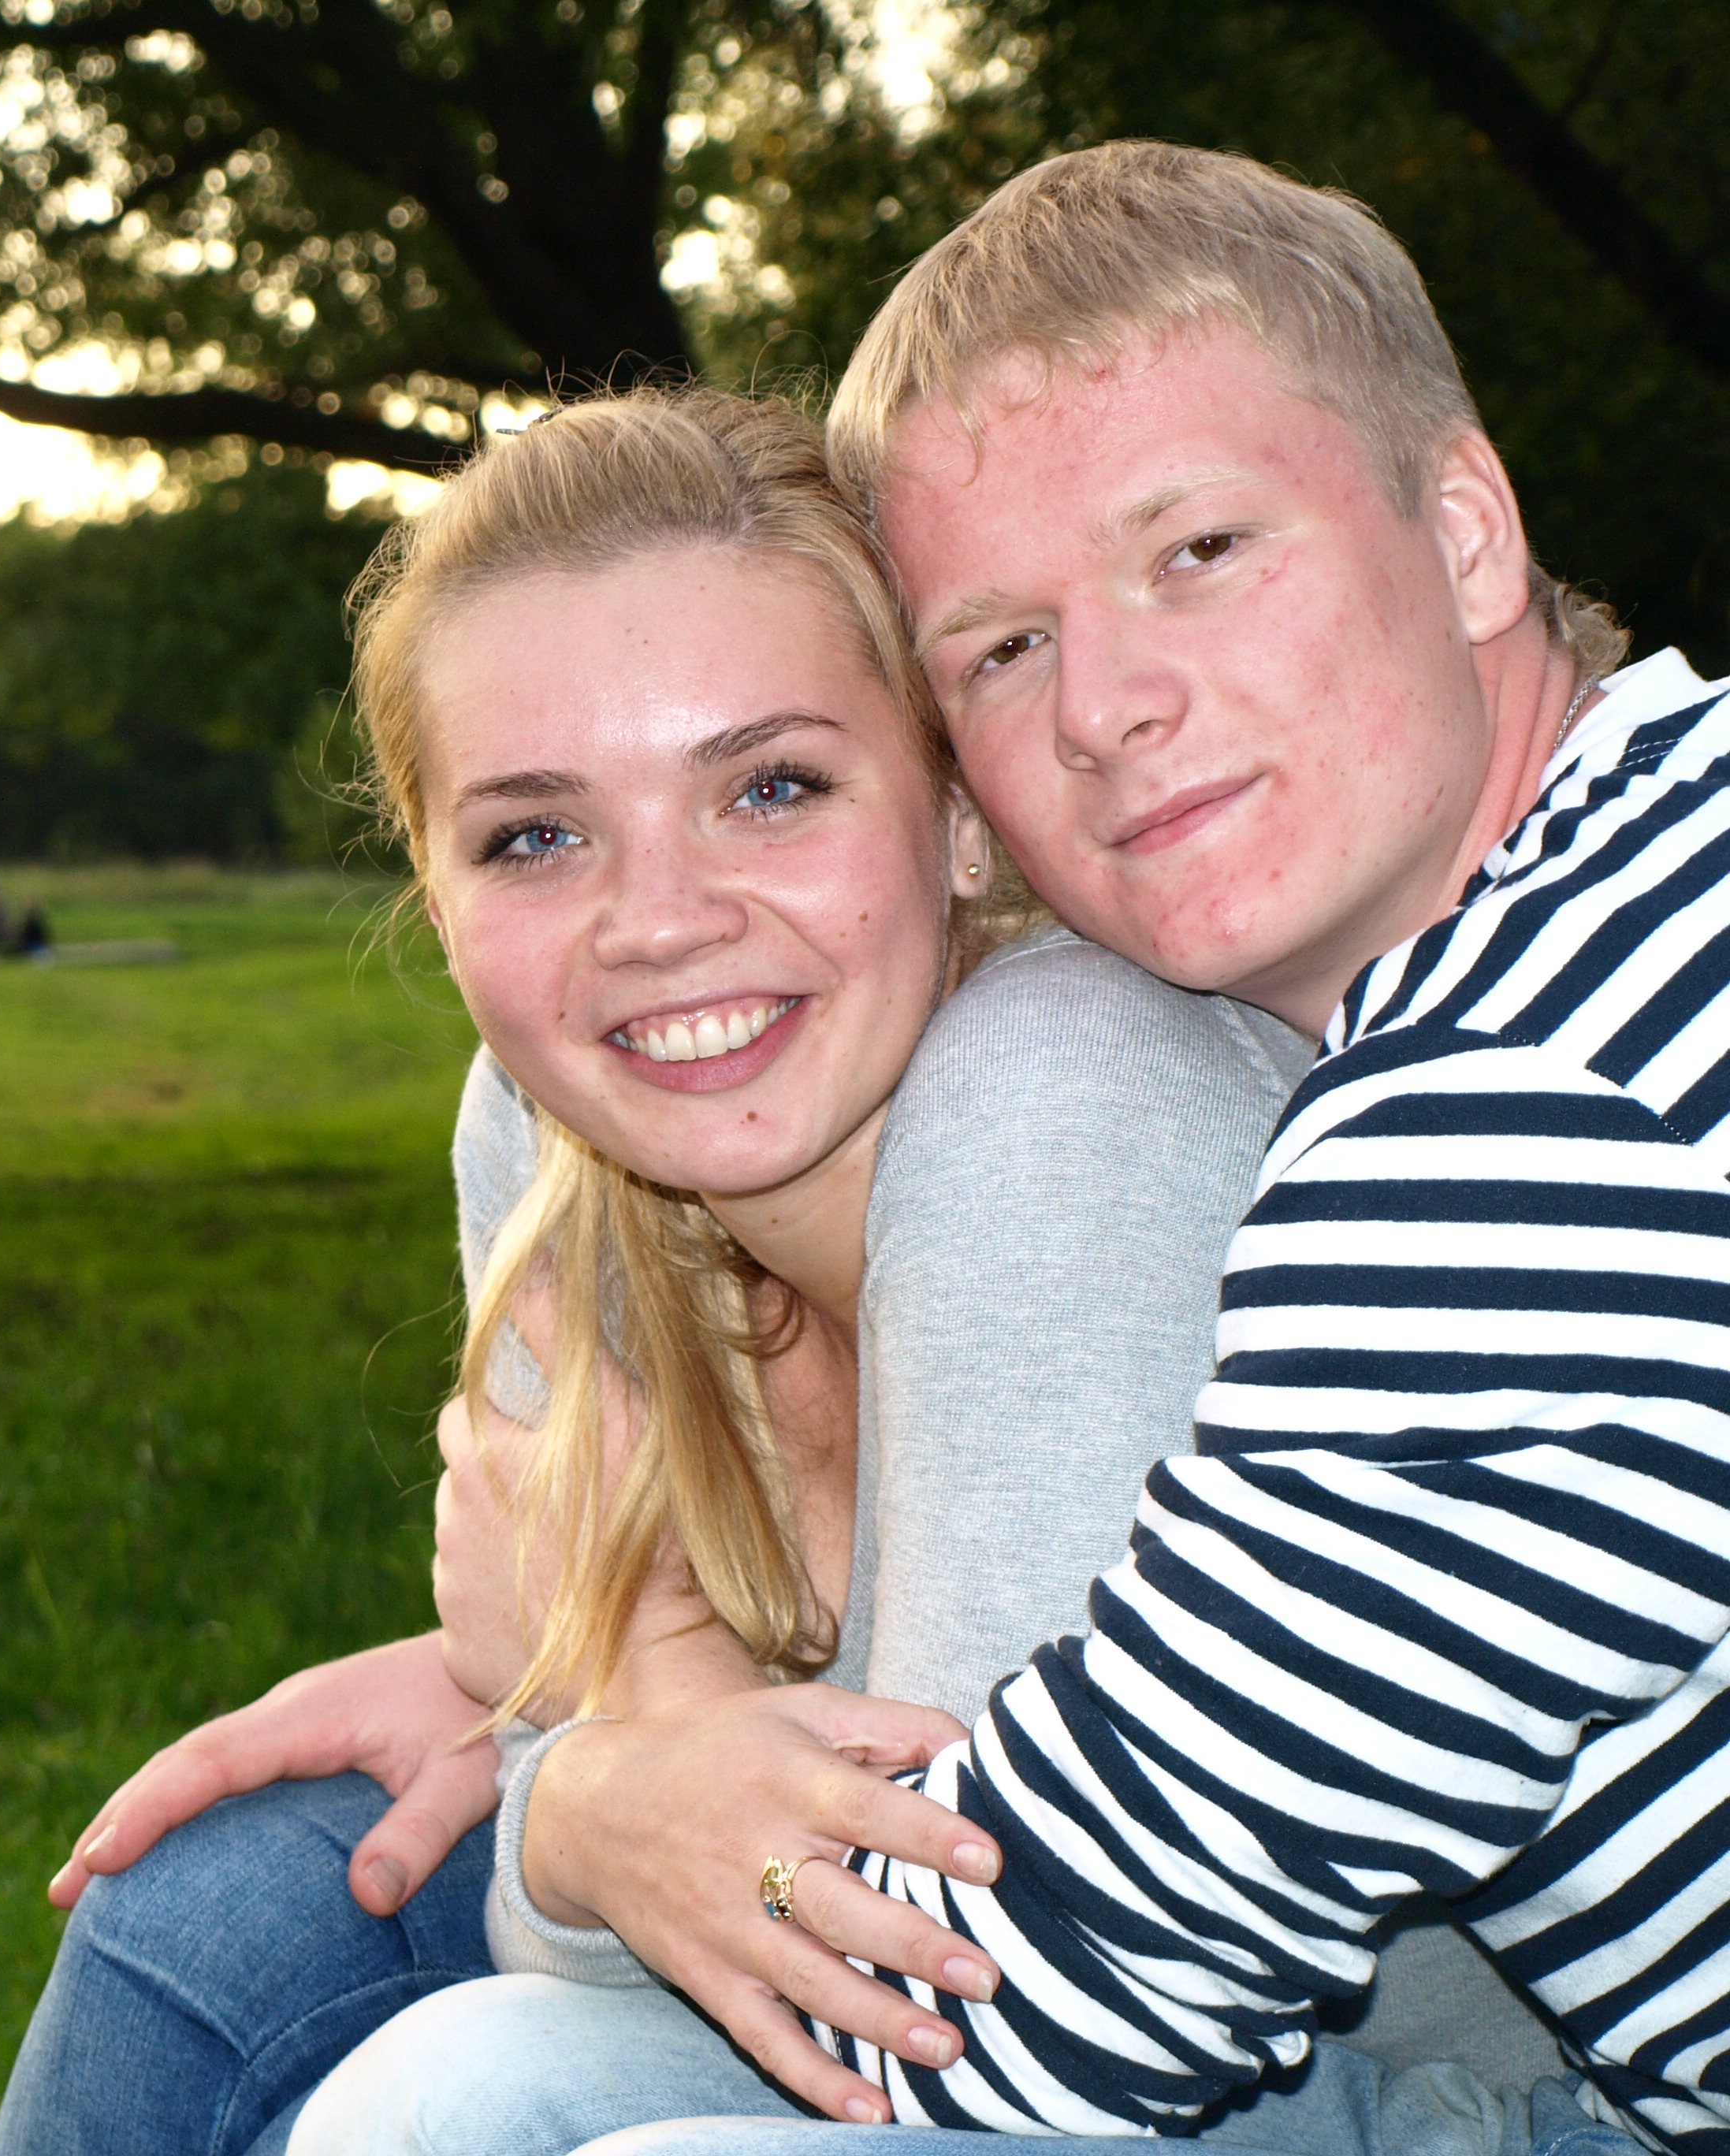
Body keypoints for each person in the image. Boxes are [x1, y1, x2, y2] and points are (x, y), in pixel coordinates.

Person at [285, 141, 1730, 2156]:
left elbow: (1017, 2011)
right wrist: (598, 1766)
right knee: (414, 2055)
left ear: (1468, 532)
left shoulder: (1513, 1119)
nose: (1111, 706)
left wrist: (620, 1723)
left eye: (1198, 551)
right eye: (1005, 649)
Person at [0, 374, 1434, 2154]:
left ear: (959, 813)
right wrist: (580, 1745)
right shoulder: (559, 1139)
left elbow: (946, 1967)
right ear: (435, 899)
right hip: (983, 2013)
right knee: (209, 1914)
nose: (660, 923)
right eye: (535, 837)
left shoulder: (1075, 1097)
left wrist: (614, 1699)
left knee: (458, 2107)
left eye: (770, 787)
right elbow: (633, 1860)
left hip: (1359, 2076)